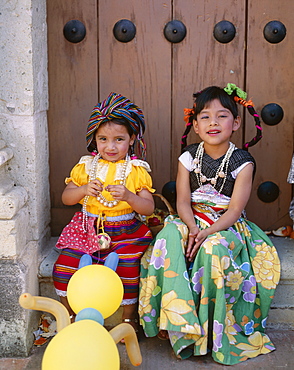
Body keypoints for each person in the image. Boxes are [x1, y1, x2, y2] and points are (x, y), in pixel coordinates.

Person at [139, 84, 280, 365]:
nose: (213, 122)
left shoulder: (242, 162)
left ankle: (209, 333)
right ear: (194, 124)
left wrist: (206, 233)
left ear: (236, 122)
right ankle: (178, 322)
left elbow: (235, 209)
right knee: (168, 233)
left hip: (225, 225)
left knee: (213, 249)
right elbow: (181, 202)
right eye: (205, 116)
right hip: (191, 217)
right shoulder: (189, 157)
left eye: (222, 116)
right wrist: (192, 229)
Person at [53, 92, 155, 333]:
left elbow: (148, 208)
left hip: (124, 232)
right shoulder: (86, 166)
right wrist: (83, 190)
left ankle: (128, 319)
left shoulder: (135, 170)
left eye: (119, 139)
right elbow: (66, 198)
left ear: (131, 139)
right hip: (86, 230)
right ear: (94, 140)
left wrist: (130, 197)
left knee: (129, 269)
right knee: (64, 267)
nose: (110, 146)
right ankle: (68, 314)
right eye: (103, 139)